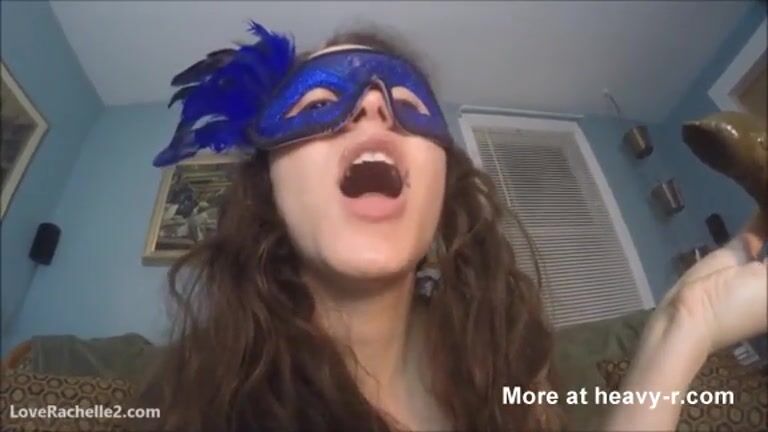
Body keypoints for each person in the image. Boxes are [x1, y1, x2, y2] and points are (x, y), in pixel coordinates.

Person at [131, 21, 767, 432]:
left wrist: (685, 324)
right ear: (269, 188)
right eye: (320, 102)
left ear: (441, 187)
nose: (373, 105)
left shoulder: (509, 373)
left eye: (408, 103)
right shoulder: (200, 407)